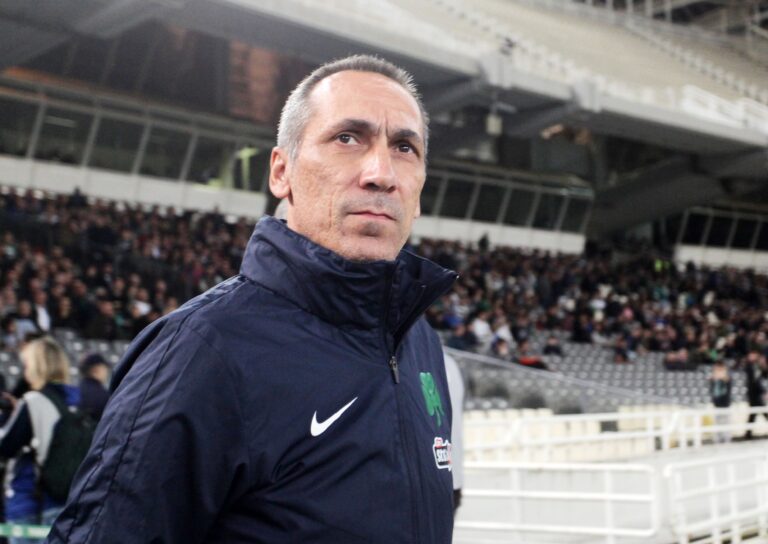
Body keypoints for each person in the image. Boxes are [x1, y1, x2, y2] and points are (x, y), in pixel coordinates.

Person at [48, 55, 457, 543]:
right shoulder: (202, 351)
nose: (381, 173)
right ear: (282, 172)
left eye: (405, 147)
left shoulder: (421, 345)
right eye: (348, 138)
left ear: (419, 191)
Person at [0, 337, 79, 543]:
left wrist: (8, 417)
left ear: (36, 366)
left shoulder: (34, 401)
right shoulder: (78, 398)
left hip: (31, 500)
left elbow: (5, 446)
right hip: (69, 501)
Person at [77, 354, 110, 422]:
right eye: (104, 368)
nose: (106, 372)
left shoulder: (78, 390)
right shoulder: (101, 394)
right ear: (96, 369)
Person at [708, 359, 731, 443]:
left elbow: (727, 380)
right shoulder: (713, 378)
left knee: (726, 422)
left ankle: (726, 439)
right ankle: (717, 440)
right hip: (716, 403)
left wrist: (721, 375)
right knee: (717, 422)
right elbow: (712, 386)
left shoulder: (727, 377)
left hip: (725, 404)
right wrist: (715, 376)